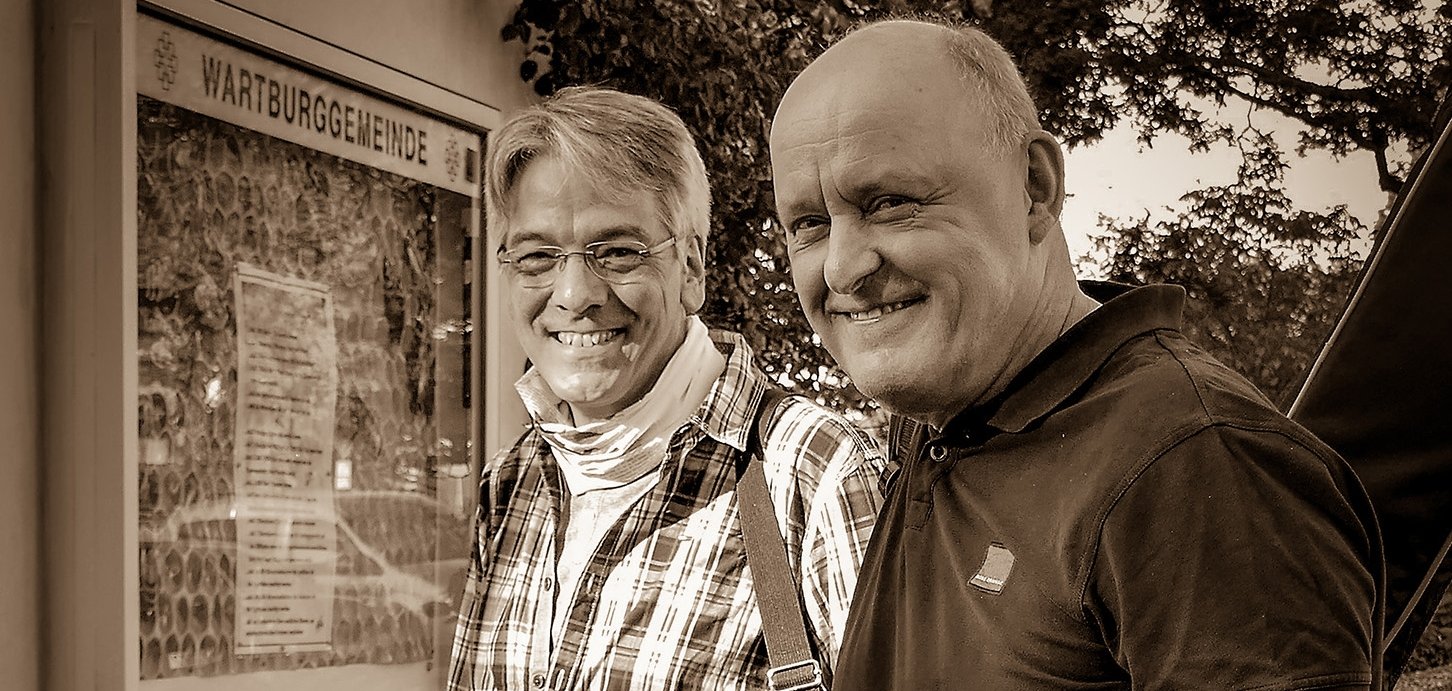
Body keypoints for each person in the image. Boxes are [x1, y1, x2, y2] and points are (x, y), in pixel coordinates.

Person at [769, 19, 1385, 690]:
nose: (842, 268)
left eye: (890, 203)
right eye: (810, 224)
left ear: (1035, 188)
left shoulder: (1194, 463)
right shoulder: (945, 420)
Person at [448, 86, 890, 691]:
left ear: (692, 268)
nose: (574, 295)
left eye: (618, 252)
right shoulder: (510, 483)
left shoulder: (811, 475)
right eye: (537, 257)